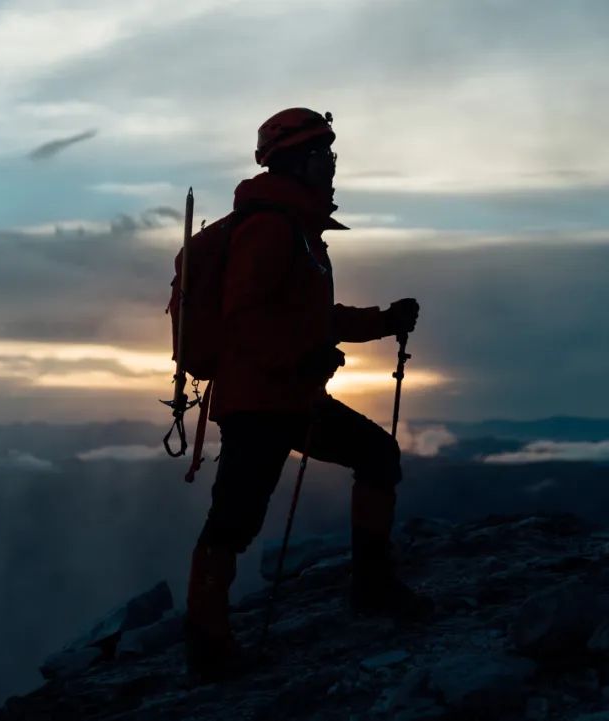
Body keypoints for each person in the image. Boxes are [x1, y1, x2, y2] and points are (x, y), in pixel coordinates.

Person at [185, 107, 432, 681]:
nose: (333, 166)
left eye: (331, 155)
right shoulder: (273, 228)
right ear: (296, 161)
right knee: (235, 521)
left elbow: (310, 317)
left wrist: (382, 320)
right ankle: (207, 645)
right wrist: (301, 358)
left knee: (375, 456)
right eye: (324, 156)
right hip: (260, 401)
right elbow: (244, 318)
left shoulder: (296, 228)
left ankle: (370, 589)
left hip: (286, 396)